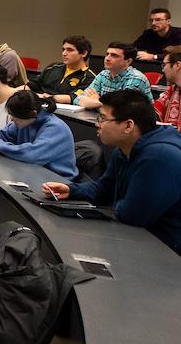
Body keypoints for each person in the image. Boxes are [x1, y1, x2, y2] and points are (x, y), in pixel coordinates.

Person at [43, 90, 181, 255]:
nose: (97, 123)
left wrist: (118, 202)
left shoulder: (158, 159)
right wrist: (73, 190)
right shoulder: (123, 150)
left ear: (128, 125)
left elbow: (132, 215)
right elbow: (105, 188)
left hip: (167, 253)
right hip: (140, 240)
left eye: (102, 118)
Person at [0, 91, 79, 178]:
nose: (12, 119)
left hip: (56, 180)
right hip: (33, 174)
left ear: (32, 113)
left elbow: (30, 155)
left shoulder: (55, 128)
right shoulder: (26, 121)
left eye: (15, 116)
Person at [76, 42, 152, 108]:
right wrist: (101, 103)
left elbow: (121, 109)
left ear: (128, 61)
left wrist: (98, 101)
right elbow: (78, 100)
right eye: (107, 54)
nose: (107, 58)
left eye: (114, 55)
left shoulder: (136, 78)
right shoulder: (103, 74)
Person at [28, 36, 97, 104]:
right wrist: (16, 91)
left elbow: (73, 97)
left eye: (70, 50)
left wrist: (45, 97)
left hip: (62, 112)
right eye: (63, 50)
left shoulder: (90, 77)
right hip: (39, 106)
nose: (64, 54)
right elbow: (32, 85)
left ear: (84, 53)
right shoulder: (53, 67)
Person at [155, 45, 181, 128]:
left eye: (165, 65)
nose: (163, 69)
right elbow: (152, 114)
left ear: (177, 65)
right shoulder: (172, 91)